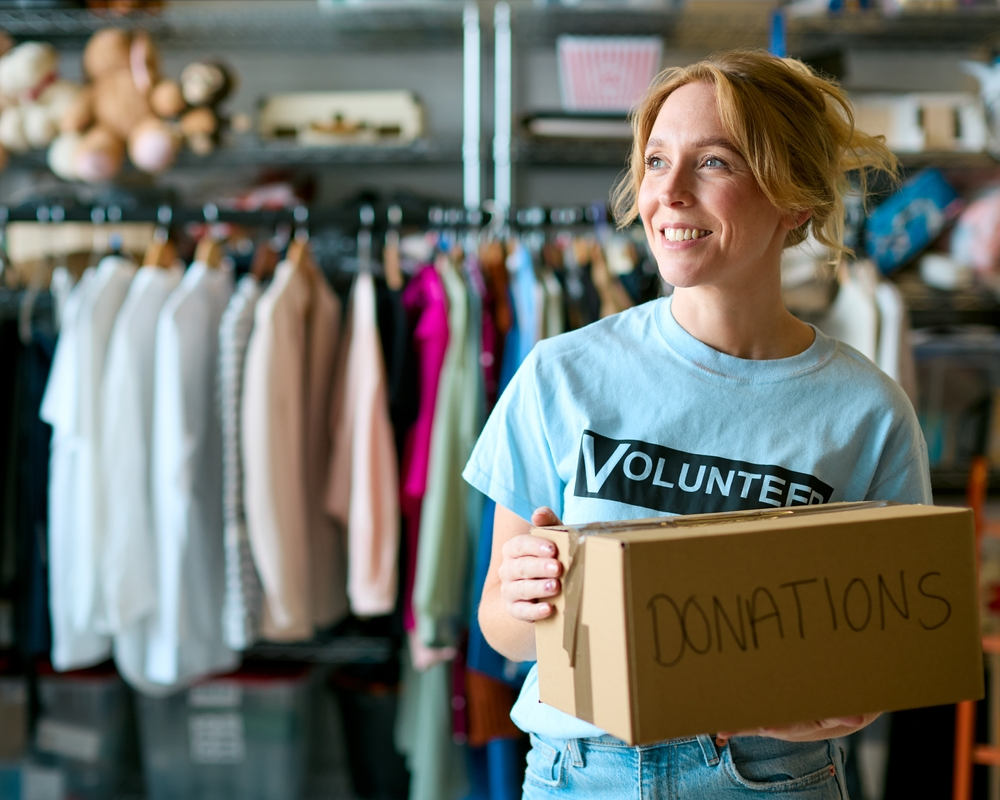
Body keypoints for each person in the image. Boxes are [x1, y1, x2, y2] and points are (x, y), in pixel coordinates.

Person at [462, 49, 932, 798]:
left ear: (794, 200)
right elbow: (502, 628)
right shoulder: (561, 374)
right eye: (655, 161)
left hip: (770, 779)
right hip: (581, 775)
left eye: (713, 162)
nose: (669, 193)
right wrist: (523, 602)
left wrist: (843, 709)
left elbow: (885, 661)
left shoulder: (867, 411)